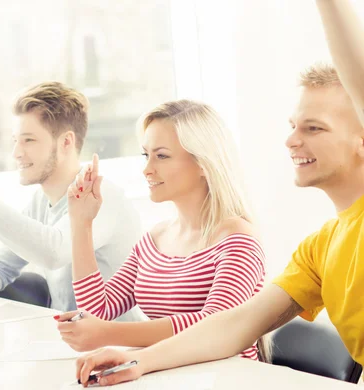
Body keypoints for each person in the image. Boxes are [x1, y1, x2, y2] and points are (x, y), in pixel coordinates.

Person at [73, 1, 364, 386]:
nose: (291, 140)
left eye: (314, 128)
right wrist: (140, 361)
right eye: (294, 126)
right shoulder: (321, 248)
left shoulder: (239, 237)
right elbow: (232, 326)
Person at [55, 100, 266, 362]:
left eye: (162, 156)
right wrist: (81, 223)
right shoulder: (154, 240)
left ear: (203, 163)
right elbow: (98, 310)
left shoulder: (238, 241)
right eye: (146, 155)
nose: (147, 169)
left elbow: (214, 326)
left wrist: (109, 333)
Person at [0, 82, 142, 315]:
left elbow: (53, 252)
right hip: (71, 338)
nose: (16, 152)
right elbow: (3, 263)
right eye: (15, 140)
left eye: (28, 140)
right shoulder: (42, 200)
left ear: (66, 142)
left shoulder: (101, 196)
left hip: (116, 346)